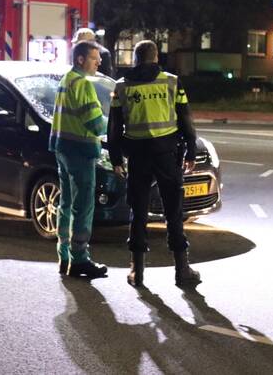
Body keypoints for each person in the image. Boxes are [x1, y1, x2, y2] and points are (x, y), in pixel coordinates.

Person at [108, 39, 200, 288]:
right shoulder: (171, 81)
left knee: (138, 211)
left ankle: (137, 272)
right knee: (173, 211)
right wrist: (191, 151)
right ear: (156, 57)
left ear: (135, 59)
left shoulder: (121, 86)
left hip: (138, 156)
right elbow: (186, 119)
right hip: (166, 154)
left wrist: (116, 159)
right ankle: (182, 270)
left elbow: (114, 127)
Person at [49, 41, 116, 279]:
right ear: (80, 59)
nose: (98, 62)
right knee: (83, 206)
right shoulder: (84, 86)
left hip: (62, 148)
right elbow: (96, 124)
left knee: (66, 203)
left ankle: (64, 255)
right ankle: (80, 259)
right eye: (94, 58)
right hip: (81, 150)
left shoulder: (66, 81)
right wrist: (116, 123)